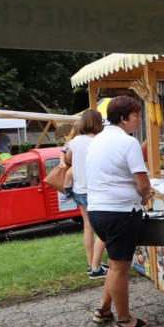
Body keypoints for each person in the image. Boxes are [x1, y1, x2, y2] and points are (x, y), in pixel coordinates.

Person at [86, 96, 154, 327]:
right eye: (136, 115)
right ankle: (124, 320)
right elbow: (142, 183)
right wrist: (145, 197)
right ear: (124, 117)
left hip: (97, 210)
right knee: (119, 268)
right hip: (120, 211)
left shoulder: (97, 140)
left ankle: (104, 309)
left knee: (115, 264)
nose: (138, 120)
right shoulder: (128, 143)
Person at [59, 110, 107, 279]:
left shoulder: (75, 141)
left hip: (79, 190)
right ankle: (96, 267)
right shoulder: (100, 141)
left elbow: (69, 158)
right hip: (96, 190)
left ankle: (91, 264)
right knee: (104, 229)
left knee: (88, 227)